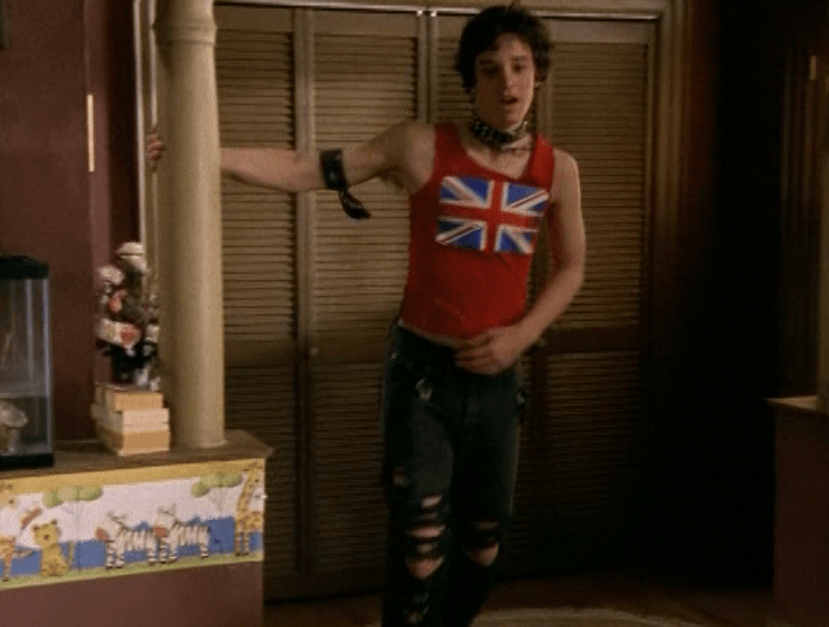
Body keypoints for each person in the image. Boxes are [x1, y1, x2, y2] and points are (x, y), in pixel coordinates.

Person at [149, 4, 584, 625]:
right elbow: (308, 168)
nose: (508, 84)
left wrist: (521, 336)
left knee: (483, 545)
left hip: (497, 382)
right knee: (420, 545)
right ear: (472, 80)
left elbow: (571, 267)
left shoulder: (558, 170)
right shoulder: (421, 145)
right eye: (491, 70)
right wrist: (202, 151)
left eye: (519, 67)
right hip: (423, 375)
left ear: (537, 72)